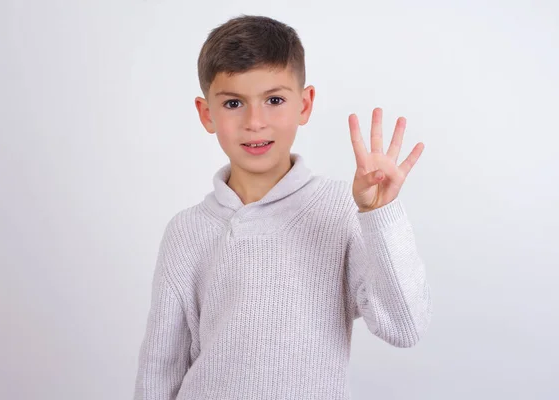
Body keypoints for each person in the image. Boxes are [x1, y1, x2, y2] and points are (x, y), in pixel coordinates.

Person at [133, 14, 432, 400]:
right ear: (207, 113)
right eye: (234, 103)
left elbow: (405, 327)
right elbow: (160, 368)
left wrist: (380, 215)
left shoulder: (340, 210)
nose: (255, 122)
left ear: (304, 104)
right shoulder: (186, 231)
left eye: (274, 100)